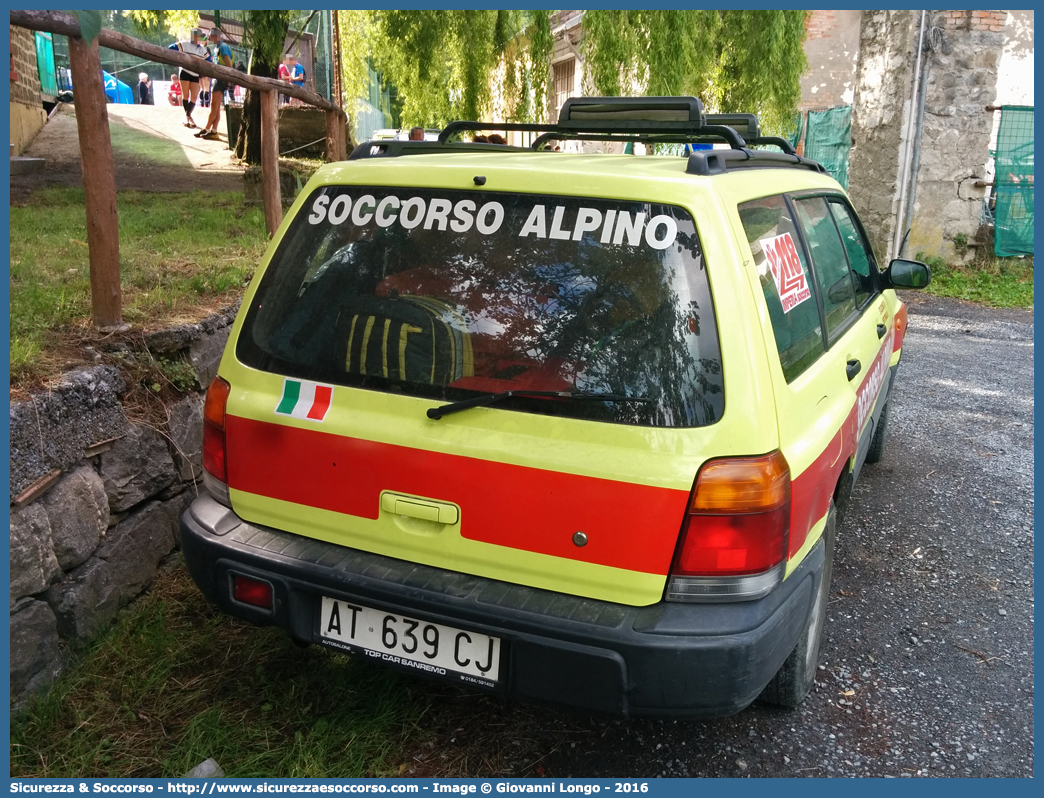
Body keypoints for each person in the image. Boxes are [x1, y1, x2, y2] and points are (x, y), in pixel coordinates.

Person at [196, 27, 234, 140]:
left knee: (214, 105)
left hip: (221, 79)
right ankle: (214, 130)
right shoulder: (216, 48)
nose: (210, 37)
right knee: (216, 107)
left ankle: (207, 128)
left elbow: (229, 65)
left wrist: (228, 81)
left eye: (212, 35)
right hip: (217, 78)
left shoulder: (223, 48)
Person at [168, 28, 210, 128]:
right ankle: (188, 117)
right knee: (185, 95)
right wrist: (179, 59)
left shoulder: (202, 49)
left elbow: (209, 60)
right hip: (185, 72)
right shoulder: (185, 44)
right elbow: (171, 48)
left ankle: (188, 115)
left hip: (195, 74)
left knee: (194, 97)